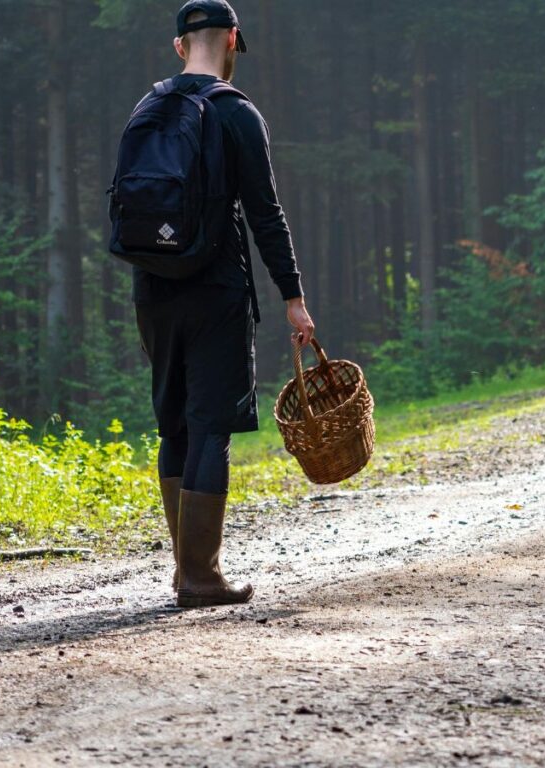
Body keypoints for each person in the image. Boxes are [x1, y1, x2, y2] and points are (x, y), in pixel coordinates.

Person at [133, 0, 315, 607]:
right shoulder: (236, 113)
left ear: (180, 46)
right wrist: (293, 297)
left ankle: (184, 572)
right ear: (232, 40)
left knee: (174, 425)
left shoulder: (149, 106)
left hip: (152, 288)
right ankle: (201, 577)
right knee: (211, 428)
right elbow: (266, 215)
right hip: (216, 289)